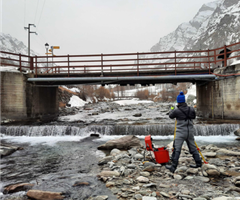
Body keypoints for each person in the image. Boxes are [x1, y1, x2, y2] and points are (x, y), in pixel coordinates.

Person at [165, 91, 202, 173]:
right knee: (193, 148)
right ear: (184, 101)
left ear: (178, 101)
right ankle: (198, 163)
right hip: (190, 132)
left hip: (180, 132)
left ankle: (173, 167)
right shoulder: (191, 109)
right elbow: (194, 116)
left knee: (177, 149)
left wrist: (172, 109)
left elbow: (170, 116)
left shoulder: (176, 111)